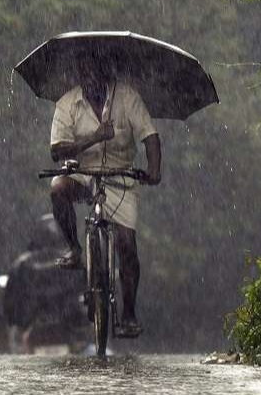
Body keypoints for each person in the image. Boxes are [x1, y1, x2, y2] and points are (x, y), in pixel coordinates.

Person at [48, 54, 161, 339]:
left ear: (107, 76)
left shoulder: (128, 98)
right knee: (58, 189)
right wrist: (95, 137)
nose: (91, 83)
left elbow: (150, 136)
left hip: (120, 176)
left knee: (127, 245)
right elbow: (57, 151)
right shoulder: (67, 103)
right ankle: (74, 249)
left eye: (96, 77)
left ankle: (129, 313)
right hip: (83, 173)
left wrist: (154, 170)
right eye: (85, 77)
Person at [3, 214, 87, 353]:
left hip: (32, 327)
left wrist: (18, 321)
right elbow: (87, 295)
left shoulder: (21, 264)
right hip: (69, 327)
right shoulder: (75, 262)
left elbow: (10, 304)